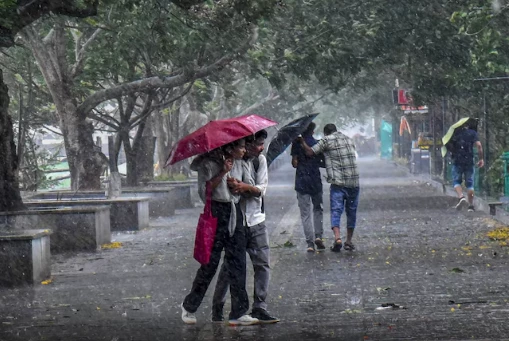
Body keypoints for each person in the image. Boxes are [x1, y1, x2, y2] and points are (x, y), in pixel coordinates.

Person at [181, 138, 259, 326]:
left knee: (237, 262)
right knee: (210, 264)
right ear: (229, 148)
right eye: (240, 147)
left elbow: (249, 188)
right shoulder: (207, 164)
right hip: (216, 213)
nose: (243, 150)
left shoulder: (241, 163)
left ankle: (239, 312)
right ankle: (189, 306)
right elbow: (205, 193)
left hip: (234, 212)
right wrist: (223, 171)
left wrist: (238, 186)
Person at [212, 130, 280, 324]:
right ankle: (218, 305)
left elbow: (261, 189)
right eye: (258, 144)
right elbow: (225, 190)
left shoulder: (261, 161)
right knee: (230, 266)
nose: (261, 148)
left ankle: (260, 306)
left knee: (262, 264)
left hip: (257, 219)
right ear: (246, 144)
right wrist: (237, 186)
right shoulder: (233, 161)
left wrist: (245, 188)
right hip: (236, 221)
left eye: (262, 144)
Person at [298, 123, 360, 252]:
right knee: (351, 212)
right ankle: (348, 241)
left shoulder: (326, 140)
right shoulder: (349, 139)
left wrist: (302, 142)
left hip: (338, 183)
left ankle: (337, 238)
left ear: (326, 133)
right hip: (354, 182)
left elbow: (310, 152)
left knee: (336, 210)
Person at [290, 122, 325, 252]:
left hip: (301, 181)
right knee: (318, 209)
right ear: (312, 131)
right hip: (315, 180)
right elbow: (322, 161)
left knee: (305, 214)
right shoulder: (318, 143)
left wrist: (298, 154)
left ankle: (310, 244)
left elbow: (294, 164)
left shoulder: (296, 144)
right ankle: (319, 236)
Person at [449, 122, 484, 212]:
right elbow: (479, 145)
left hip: (457, 160)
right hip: (469, 160)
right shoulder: (472, 133)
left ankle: (461, 197)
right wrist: (481, 159)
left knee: (456, 181)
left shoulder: (455, 133)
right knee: (470, 184)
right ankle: (471, 206)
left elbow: (449, 146)